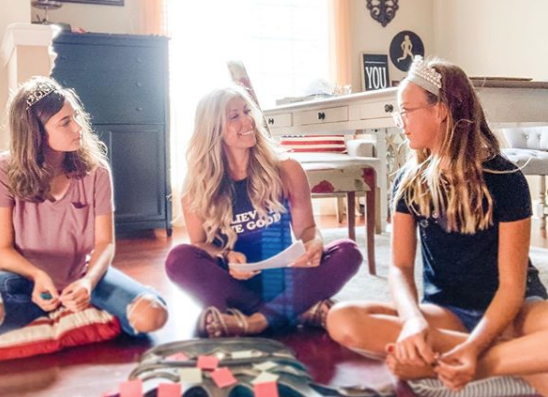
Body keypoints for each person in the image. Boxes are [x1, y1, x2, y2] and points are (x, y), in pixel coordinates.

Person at [327, 56, 548, 394]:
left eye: (406, 110)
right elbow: (400, 268)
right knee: (341, 320)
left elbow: (511, 288)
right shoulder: (408, 181)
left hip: (512, 312)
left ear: (441, 110)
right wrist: (413, 320)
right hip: (448, 312)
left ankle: (475, 364)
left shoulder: (506, 179)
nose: (399, 121)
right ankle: (518, 361)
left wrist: (475, 348)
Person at [0, 76, 167, 337]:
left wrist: (88, 282)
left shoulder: (96, 171)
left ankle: (63, 305)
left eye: (76, 116)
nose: (79, 127)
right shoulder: (2, 171)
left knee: (153, 314)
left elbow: (105, 243)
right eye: (65, 122)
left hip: (80, 275)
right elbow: (2, 251)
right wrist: (36, 276)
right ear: (35, 134)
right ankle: (50, 307)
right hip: (23, 277)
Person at [165, 85, 362, 338]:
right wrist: (225, 256)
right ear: (213, 130)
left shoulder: (287, 169)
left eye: (247, 111)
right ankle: (294, 311)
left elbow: (307, 230)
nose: (248, 120)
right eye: (234, 116)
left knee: (348, 252)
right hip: (234, 282)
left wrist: (314, 243)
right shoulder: (195, 187)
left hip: (285, 277)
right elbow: (200, 245)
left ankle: (254, 320)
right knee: (178, 258)